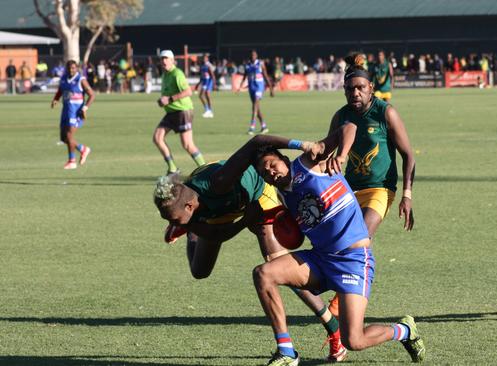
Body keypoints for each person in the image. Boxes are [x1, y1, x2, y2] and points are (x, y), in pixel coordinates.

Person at [211, 131, 425, 365]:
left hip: (353, 260)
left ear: (283, 159)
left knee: (354, 341)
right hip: (321, 259)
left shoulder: (309, 163)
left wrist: (340, 155)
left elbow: (349, 126)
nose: (270, 172)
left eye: (272, 165)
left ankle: (404, 330)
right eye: (265, 173)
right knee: (264, 273)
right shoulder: (283, 194)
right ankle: (286, 351)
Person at [153, 161, 348, 362]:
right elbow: (220, 234)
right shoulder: (190, 199)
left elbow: (254, 148)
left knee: (280, 268)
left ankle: (330, 332)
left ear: (188, 206)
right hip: (219, 210)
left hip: (257, 196)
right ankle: (188, 229)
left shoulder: (220, 184)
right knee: (200, 270)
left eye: (173, 219)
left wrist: (298, 147)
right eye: (171, 220)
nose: (168, 223)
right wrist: (238, 222)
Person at [326, 53, 416, 318]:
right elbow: (326, 151)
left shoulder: (385, 112)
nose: (355, 93)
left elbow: (408, 154)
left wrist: (407, 195)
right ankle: (344, 291)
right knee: (339, 243)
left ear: (370, 89)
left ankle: (340, 303)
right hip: (349, 191)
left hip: (380, 189)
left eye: (360, 88)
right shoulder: (341, 117)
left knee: (359, 238)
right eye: (349, 89)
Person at [152, 49, 206, 175]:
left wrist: (169, 99)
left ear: (172, 60)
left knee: (187, 144)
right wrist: (162, 101)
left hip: (183, 111)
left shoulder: (177, 74)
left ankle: (206, 170)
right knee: (157, 137)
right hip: (171, 112)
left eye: (166, 58)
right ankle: (173, 169)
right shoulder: (165, 74)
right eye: (162, 59)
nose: (164, 61)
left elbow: (188, 92)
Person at [50, 60, 94, 170]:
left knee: (69, 136)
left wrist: (85, 108)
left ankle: (72, 161)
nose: (71, 70)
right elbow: (61, 90)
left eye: (73, 68)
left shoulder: (81, 80)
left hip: (75, 112)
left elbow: (92, 95)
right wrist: (56, 98)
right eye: (69, 68)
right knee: (64, 138)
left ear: (77, 68)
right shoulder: (64, 78)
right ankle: (83, 149)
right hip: (65, 111)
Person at [238, 50, 273, 135]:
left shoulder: (260, 64)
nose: (253, 56)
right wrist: (241, 85)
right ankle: (264, 126)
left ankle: (252, 127)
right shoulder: (248, 65)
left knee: (254, 106)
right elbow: (245, 76)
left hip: (259, 87)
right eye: (251, 55)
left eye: (254, 55)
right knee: (257, 108)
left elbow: (265, 76)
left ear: (256, 56)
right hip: (251, 87)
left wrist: (271, 88)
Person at [195, 54, 216, 118]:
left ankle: (209, 110)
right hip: (204, 82)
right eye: (203, 58)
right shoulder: (202, 66)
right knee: (200, 96)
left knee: (206, 94)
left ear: (207, 59)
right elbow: (201, 77)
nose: (204, 59)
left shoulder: (208, 66)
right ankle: (207, 110)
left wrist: (214, 84)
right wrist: (198, 84)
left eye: (205, 58)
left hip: (208, 82)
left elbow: (212, 75)